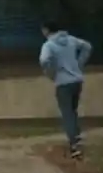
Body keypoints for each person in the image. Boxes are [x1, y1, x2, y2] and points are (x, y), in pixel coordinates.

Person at [39, 19, 92, 159]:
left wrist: (51, 72)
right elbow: (87, 46)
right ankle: (77, 135)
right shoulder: (71, 39)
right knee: (73, 109)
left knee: (67, 112)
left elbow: (44, 60)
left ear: (46, 30)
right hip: (77, 80)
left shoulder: (49, 45)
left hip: (62, 82)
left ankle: (74, 143)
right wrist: (79, 64)